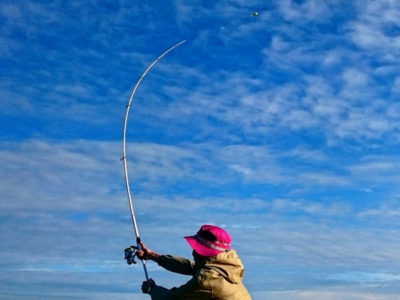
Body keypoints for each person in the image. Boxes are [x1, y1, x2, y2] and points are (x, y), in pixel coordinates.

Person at [136, 224, 252, 299]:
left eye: (197, 248)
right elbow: (191, 267)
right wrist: (152, 256)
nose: (193, 252)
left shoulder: (207, 279)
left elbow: (173, 298)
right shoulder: (226, 266)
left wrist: (152, 289)